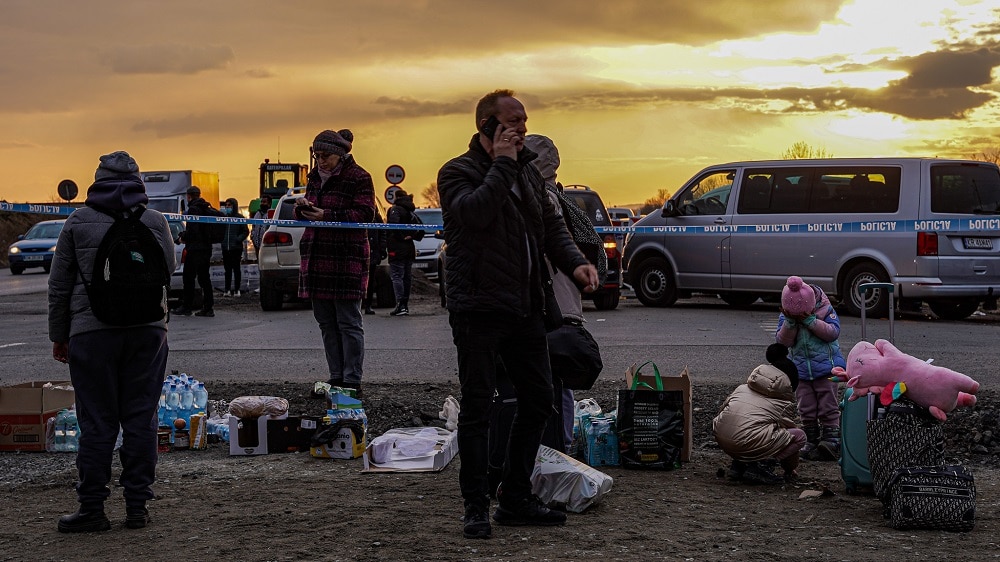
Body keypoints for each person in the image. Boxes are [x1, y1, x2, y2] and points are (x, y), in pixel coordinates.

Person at [437, 89, 599, 539]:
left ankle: (514, 497)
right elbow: (475, 216)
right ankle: (475, 505)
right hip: (478, 308)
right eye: (513, 122)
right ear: (487, 126)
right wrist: (503, 163)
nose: (523, 129)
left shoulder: (528, 173)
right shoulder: (457, 173)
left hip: (526, 307)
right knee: (477, 407)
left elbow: (550, 227)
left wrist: (575, 263)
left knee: (538, 399)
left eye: (525, 121)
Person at [48, 150, 175, 532]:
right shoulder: (154, 221)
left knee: (98, 422)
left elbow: (58, 287)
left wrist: (60, 335)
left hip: (91, 333)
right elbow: (168, 270)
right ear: (137, 180)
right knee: (141, 418)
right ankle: (137, 507)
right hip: (148, 332)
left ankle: (92, 509)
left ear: (98, 178)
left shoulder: (77, 221)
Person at [523, 134, 607, 451]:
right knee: (558, 381)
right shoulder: (563, 200)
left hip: (550, 305)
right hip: (566, 303)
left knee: (548, 381)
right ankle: (560, 442)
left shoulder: (541, 200)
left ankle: (555, 445)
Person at [296, 129, 375, 396]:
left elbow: (365, 214)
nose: (320, 161)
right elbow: (311, 214)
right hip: (317, 258)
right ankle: (336, 376)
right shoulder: (314, 177)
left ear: (340, 155)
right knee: (326, 323)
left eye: (325, 156)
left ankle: (352, 379)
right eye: (316, 155)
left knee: (349, 322)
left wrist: (326, 214)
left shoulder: (359, 177)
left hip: (345, 259)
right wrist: (303, 208)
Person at [713, 343, 806, 485]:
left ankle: (739, 464)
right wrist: (790, 468)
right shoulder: (782, 403)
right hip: (745, 444)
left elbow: (722, 410)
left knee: (752, 428)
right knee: (799, 436)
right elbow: (787, 437)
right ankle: (763, 465)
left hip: (723, 437)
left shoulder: (742, 388)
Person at [775, 275, 846, 461]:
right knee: (806, 407)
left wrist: (811, 321)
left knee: (828, 404)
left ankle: (831, 438)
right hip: (801, 370)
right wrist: (791, 323)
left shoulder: (825, 309)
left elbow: (832, 333)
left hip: (827, 369)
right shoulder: (788, 315)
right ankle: (810, 438)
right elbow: (783, 342)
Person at [172, 186, 222, 317]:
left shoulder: (193, 209)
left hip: (195, 249)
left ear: (189, 196)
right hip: (206, 248)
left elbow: (193, 231)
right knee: (205, 279)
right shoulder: (206, 208)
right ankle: (208, 308)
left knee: (188, 278)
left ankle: (186, 307)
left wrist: (183, 236)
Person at [385, 189, 422, 316]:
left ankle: (400, 305)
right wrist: (411, 236)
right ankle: (404, 305)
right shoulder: (411, 211)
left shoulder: (395, 210)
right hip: (409, 249)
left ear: (396, 197)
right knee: (406, 277)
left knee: (396, 276)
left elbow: (392, 226)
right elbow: (421, 228)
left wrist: (400, 237)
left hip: (397, 249)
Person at [220, 198, 250, 297]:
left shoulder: (239, 218)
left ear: (234, 206)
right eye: (226, 205)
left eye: (229, 205)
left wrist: (238, 239)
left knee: (236, 269)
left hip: (236, 248)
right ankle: (227, 290)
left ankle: (237, 290)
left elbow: (245, 231)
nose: (227, 207)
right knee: (227, 270)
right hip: (225, 248)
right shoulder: (223, 218)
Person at [363, 206, 387, 315]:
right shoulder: (357, 214)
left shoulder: (376, 217)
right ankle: (359, 304)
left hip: (372, 253)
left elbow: (382, 233)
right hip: (358, 253)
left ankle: (368, 305)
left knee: (370, 280)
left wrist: (382, 249)